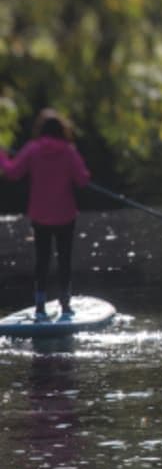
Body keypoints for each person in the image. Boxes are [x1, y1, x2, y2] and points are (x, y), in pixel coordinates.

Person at [0, 109, 91, 318]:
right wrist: (85, 174)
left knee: (42, 259)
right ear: (62, 131)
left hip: (40, 215)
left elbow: (13, 172)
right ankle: (65, 303)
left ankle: (40, 305)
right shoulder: (69, 151)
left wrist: (2, 156)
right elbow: (83, 180)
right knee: (64, 259)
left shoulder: (32, 149)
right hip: (65, 214)